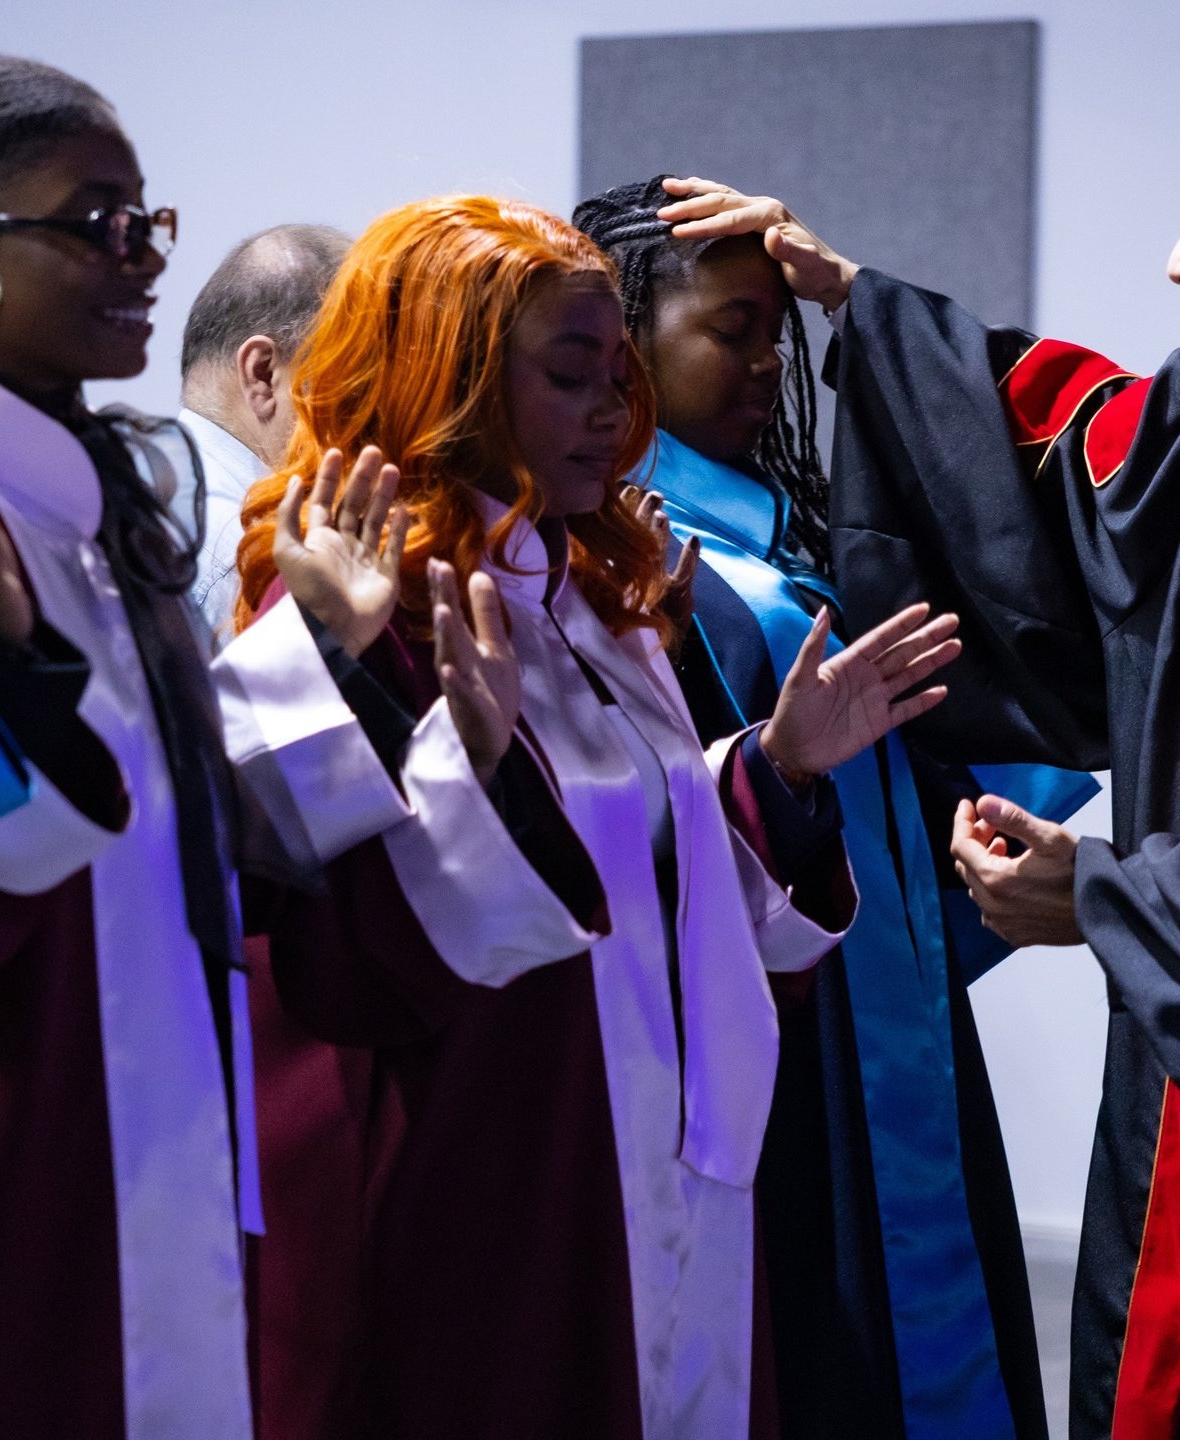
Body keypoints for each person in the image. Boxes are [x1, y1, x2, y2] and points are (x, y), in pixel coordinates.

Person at [659, 60, 1180, 1439]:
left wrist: (1098, 896)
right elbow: (1061, 427)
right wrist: (856, 304)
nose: (1176, 261)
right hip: (1177, 1087)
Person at [233, 193, 961, 1440]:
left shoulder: (596, 596)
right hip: (482, 1181)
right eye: (574, 374)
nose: (618, 411)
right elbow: (311, 940)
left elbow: (651, 879)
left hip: (656, 1171)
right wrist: (458, 747)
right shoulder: (359, 597)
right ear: (452, 378)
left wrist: (774, 774)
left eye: (619, 372)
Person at [575, 175, 1095, 1440]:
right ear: (631, 342)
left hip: (888, 1031)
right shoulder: (623, 552)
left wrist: (945, 824)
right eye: (729, 331)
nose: (765, 364)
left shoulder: (784, 534)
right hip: (771, 1056)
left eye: (775, 333)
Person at [0, 54, 419, 1440]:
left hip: (141, 1093)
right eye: (91, 222)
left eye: (143, 222)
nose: (139, 258)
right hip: (9, 1096)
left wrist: (327, 643)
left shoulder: (93, 487)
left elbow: (186, 821)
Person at [175, 223, 351, 632]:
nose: (375, 417)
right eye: (357, 380)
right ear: (263, 373)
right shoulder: (238, 555)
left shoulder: (149, 501)